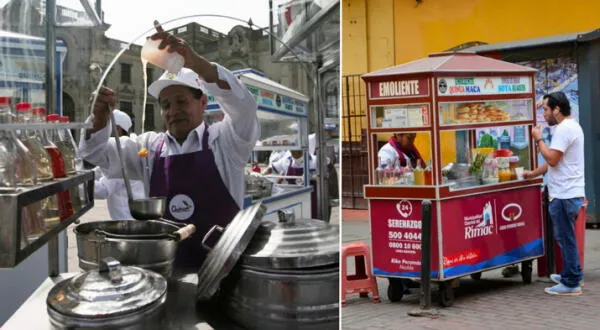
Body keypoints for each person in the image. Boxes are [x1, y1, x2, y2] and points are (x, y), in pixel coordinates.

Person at [79, 27, 259, 270]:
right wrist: (98, 120)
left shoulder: (226, 141)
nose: (173, 111)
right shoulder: (148, 149)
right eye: (165, 105)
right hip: (165, 273)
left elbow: (244, 108)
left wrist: (196, 62)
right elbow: (95, 154)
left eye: (182, 101)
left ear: (203, 101)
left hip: (224, 274)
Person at [526, 91, 585, 296]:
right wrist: (533, 173)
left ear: (557, 110)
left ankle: (570, 283)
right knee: (567, 238)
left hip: (564, 194)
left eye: (546, 110)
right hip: (568, 192)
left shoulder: (564, 129)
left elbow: (551, 159)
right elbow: (556, 161)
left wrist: (538, 139)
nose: (544, 115)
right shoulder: (571, 126)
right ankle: (573, 274)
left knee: (565, 238)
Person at [93, 110, 145, 220]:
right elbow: (98, 171)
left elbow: (103, 190)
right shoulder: (129, 148)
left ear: (117, 129)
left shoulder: (121, 153)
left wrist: (74, 186)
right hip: (134, 217)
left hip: (128, 221)